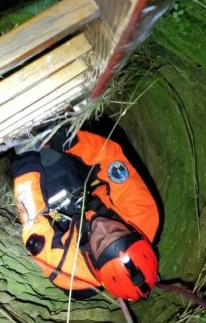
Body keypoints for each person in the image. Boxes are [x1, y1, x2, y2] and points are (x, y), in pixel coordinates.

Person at [11, 129, 160, 301]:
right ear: (134, 232)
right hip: (93, 190)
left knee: (53, 174)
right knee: (61, 155)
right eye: (117, 230)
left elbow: (32, 216)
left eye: (100, 241)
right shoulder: (143, 214)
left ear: (91, 258)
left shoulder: (67, 270)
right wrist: (69, 140)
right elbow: (110, 158)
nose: (102, 225)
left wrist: (26, 156)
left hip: (66, 223)